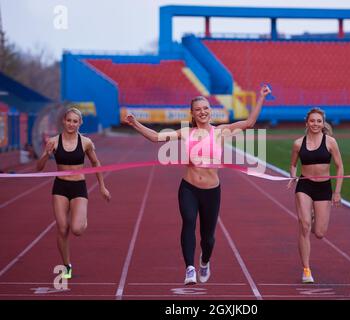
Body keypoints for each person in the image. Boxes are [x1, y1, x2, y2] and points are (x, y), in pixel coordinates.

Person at [126, 85, 271, 285]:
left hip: (212, 192)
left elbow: (249, 122)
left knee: (208, 238)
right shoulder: (186, 132)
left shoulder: (221, 132)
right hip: (189, 188)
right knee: (188, 221)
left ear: (210, 110)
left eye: (205, 108)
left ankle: (204, 261)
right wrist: (135, 124)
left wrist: (261, 97)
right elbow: (155, 137)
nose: (202, 112)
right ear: (192, 113)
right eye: (198, 109)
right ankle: (190, 269)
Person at [36, 107, 111, 279]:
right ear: (63, 121)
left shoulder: (85, 142)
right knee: (62, 229)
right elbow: (38, 168)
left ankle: (82, 218)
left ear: (80, 123)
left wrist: (102, 186)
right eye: (69, 120)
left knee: (76, 229)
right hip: (60, 188)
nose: (71, 124)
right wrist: (46, 155)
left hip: (78, 187)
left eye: (75, 121)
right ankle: (67, 265)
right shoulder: (53, 142)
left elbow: (96, 163)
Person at [287, 107, 344, 283]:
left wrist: (337, 192)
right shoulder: (298, 143)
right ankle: (306, 270)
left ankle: (311, 219)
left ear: (323, 123)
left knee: (319, 233)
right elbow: (293, 165)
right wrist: (293, 175)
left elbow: (340, 167)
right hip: (304, 186)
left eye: (319, 121)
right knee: (304, 226)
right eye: (312, 121)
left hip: (323, 188)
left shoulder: (330, 142)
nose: (315, 124)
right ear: (307, 123)